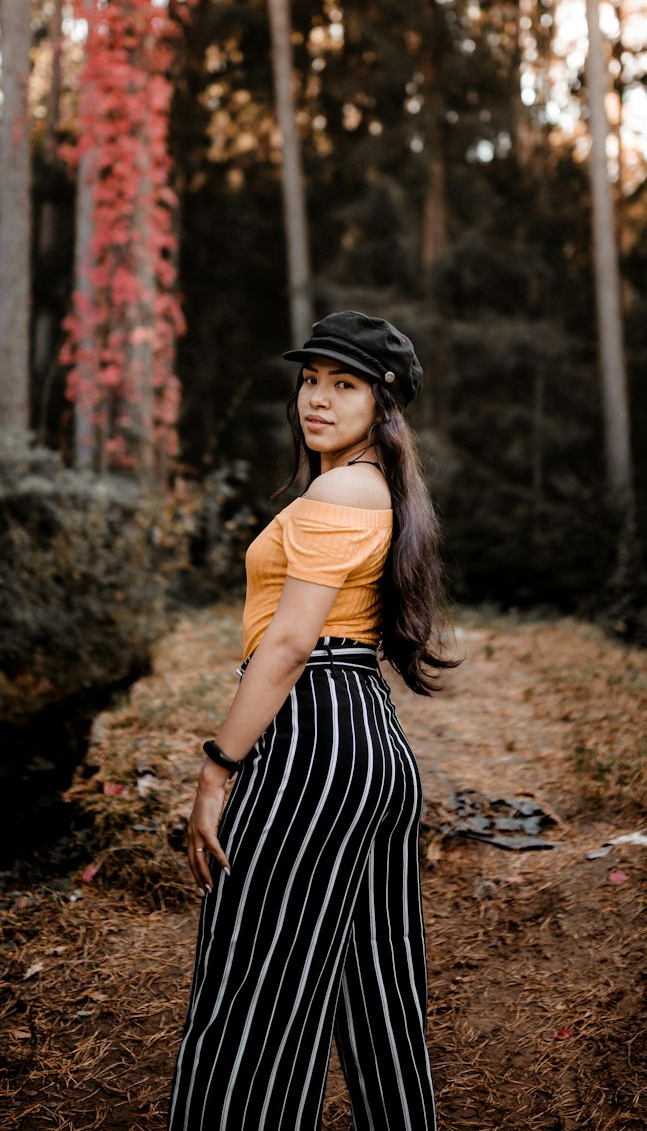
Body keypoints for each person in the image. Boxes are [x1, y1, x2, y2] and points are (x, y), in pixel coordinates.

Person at [167, 310, 455, 1131]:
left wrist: (216, 770)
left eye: (345, 384)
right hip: (368, 744)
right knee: (379, 999)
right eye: (310, 380)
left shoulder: (340, 489)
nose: (317, 400)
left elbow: (291, 643)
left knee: (253, 993)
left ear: (384, 403)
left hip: (313, 741)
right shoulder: (377, 488)